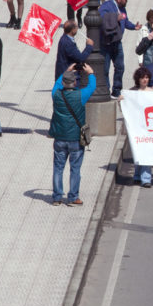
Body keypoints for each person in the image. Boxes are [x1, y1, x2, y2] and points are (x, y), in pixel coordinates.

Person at [49, 64, 96, 206]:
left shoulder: (56, 94)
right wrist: (91, 73)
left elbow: (56, 85)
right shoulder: (80, 95)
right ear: (74, 82)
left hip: (59, 138)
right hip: (75, 139)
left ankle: (57, 197)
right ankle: (73, 197)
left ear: (63, 83)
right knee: (75, 169)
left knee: (58, 168)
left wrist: (67, 70)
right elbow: (92, 87)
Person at [100, 0, 142, 98]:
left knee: (120, 67)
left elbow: (125, 21)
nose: (127, 0)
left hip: (117, 43)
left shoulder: (122, 8)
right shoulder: (106, 6)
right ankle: (106, 90)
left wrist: (133, 27)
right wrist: (114, 18)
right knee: (105, 69)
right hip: (106, 43)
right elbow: (102, 18)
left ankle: (117, 90)